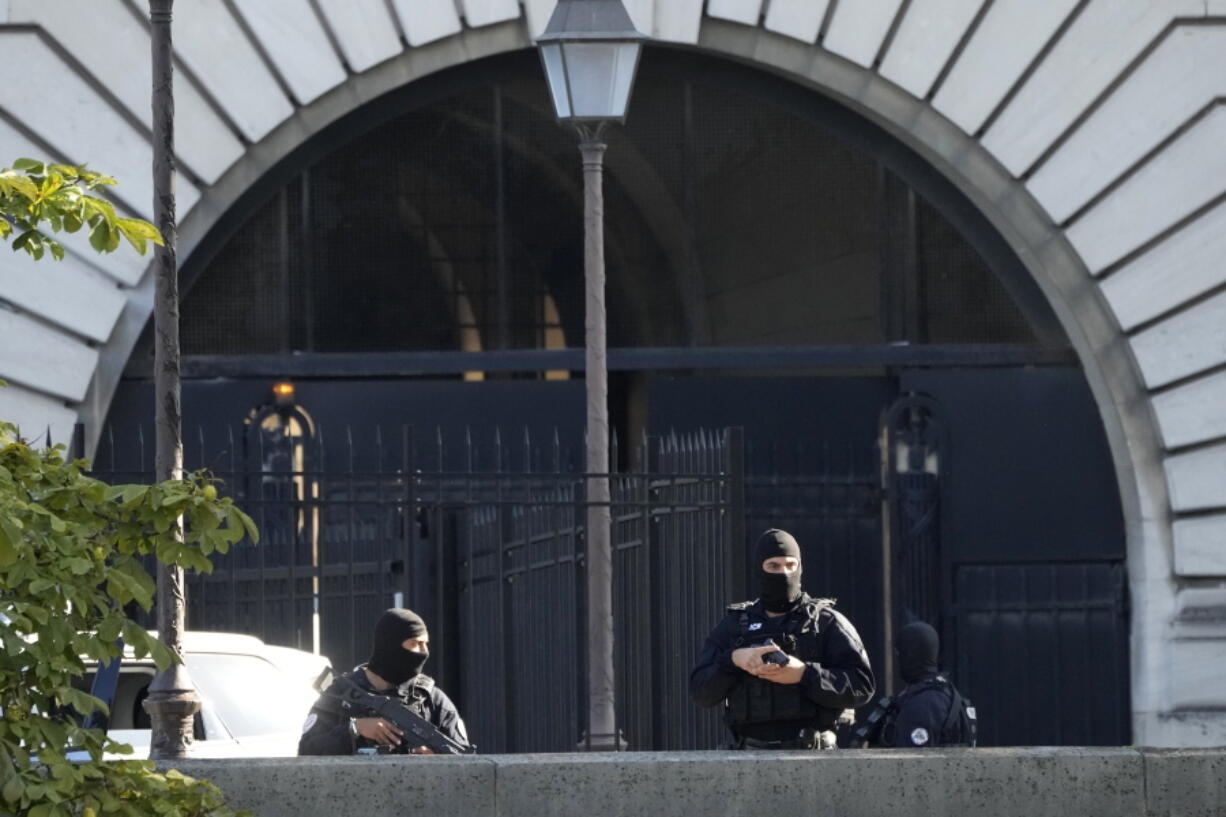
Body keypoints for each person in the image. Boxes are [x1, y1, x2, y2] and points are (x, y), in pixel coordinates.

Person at [690, 528, 875, 750]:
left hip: (813, 759)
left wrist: (804, 674)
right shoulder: (734, 627)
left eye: (790, 565)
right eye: (773, 566)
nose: (784, 574)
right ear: (760, 569)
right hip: (748, 760)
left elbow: (862, 686)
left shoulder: (826, 623)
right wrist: (734, 660)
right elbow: (700, 692)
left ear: (800, 567)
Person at [298, 608, 471, 755]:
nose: (423, 652)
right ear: (390, 645)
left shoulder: (432, 700)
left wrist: (438, 762)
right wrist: (355, 729)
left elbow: (467, 763)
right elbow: (306, 751)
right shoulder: (340, 694)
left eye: (425, 644)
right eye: (415, 643)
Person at [850, 620, 976, 748]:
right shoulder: (950, 695)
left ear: (908, 655)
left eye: (899, 654)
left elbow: (911, 763)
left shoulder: (923, 704)